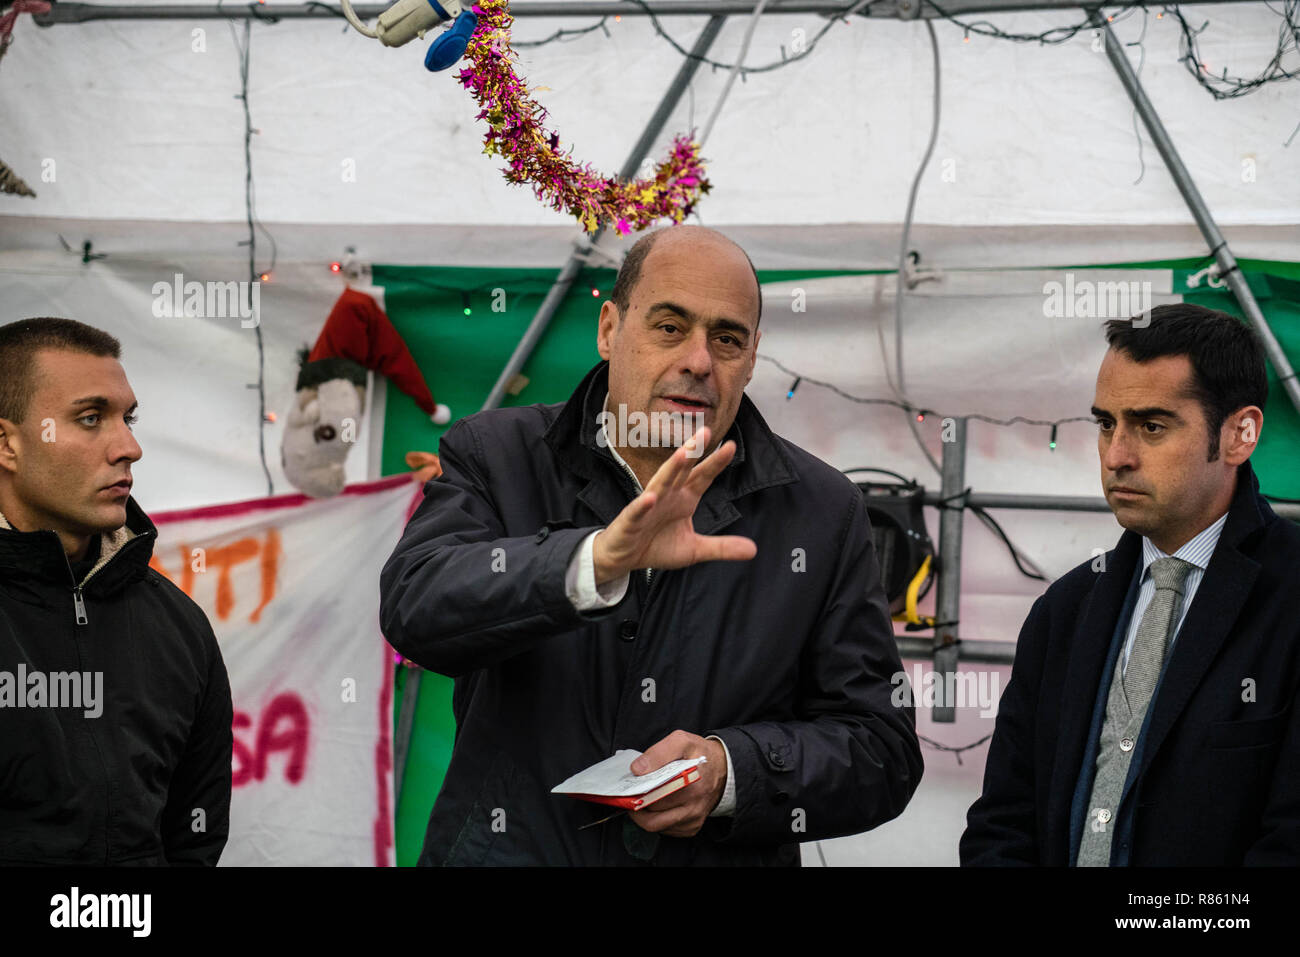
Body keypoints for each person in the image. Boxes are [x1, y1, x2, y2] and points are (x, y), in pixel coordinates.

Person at [381, 225, 922, 865]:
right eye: (669, 326)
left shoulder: (822, 510)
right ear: (610, 329)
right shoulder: (497, 454)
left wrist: (732, 773)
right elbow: (416, 610)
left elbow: (880, 750)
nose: (698, 361)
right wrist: (592, 563)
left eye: (726, 339)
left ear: (751, 360)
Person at [961, 303, 1300, 866]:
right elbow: (1004, 820)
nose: (1117, 455)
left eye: (1152, 426)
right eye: (1105, 423)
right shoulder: (1065, 609)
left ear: (1241, 434)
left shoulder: (1289, 600)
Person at [0, 317, 232, 865]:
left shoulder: (180, 626)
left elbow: (193, 835)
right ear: (7, 445)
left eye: (127, 419)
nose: (129, 447)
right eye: (89, 418)